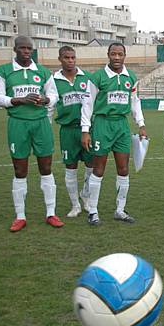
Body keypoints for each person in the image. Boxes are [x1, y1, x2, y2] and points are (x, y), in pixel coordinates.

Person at [0, 35, 64, 232]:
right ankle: (20, 216)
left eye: (29, 48)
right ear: (15, 49)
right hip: (18, 123)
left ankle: (51, 213)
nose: (26, 51)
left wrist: (45, 99)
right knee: (20, 170)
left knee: (46, 167)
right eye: (22, 48)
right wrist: (19, 100)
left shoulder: (42, 71)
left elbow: (54, 95)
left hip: (41, 123)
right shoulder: (3, 71)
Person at [80, 42, 147, 226]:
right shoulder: (98, 77)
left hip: (122, 126)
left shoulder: (130, 77)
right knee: (98, 168)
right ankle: (92, 211)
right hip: (102, 124)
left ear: (125, 55)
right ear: (108, 55)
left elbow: (135, 102)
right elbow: (88, 105)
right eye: (113, 54)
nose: (117, 57)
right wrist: (85, 130)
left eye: (120, 54)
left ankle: (120, 210)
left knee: (123, 169)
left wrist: (140, 123)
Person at [53, 46, 93, 218]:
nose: (70, 60)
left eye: (72, 57)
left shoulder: (87, 78)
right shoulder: (53, 80)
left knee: (92, 166)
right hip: (68, 130)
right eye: (66, 57)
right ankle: (75, 205)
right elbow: (50, 105)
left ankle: (85, 195)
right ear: (60, 59)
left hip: (88, 130)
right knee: (71, 167)